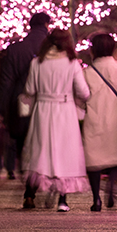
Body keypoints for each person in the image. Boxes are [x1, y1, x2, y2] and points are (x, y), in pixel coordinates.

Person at [21, 28, 90, 211]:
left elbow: (30, 89)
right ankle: (62, 199)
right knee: (64, 153)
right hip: (65, 110)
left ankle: (30, 194)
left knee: (40, 151)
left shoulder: (37, 63)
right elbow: (84, 92)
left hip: (43, 109)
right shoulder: (72, 63)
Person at [0, 12, 50, 172]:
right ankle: (40, 171)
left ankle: (26, 171)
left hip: (21, 100)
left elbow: (6, 82)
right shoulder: (53, 49)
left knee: (23, 137)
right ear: (47, 25)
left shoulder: (15, 49)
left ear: (30, 27)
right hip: (47, 100)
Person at [82, 33, 117, 211]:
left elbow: (80, 98)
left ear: (93, 50)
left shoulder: (87, 73)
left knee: (94, 161)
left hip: (94, 119)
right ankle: (111, 186)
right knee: (116, 156)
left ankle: (96, 199)